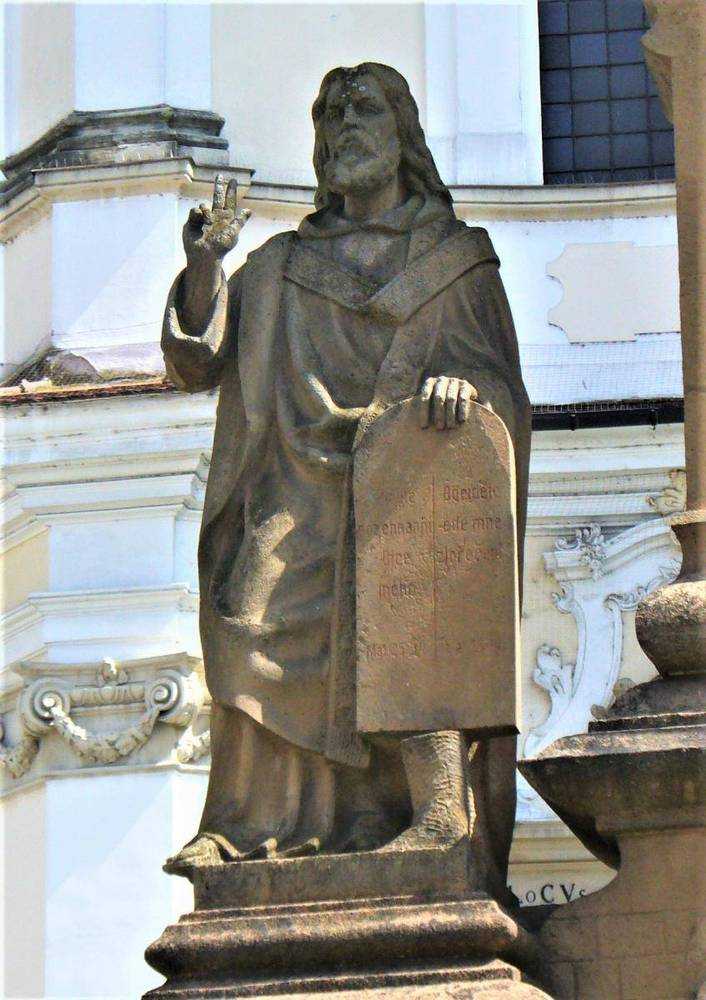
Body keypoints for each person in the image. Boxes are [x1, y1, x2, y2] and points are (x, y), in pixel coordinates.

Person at [161, 63, 530, 896]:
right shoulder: (281, 265)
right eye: (329, 115)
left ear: (403, 135)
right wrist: (206, 269)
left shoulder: (458, 263)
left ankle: (401, 819)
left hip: (405, 487)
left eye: (362, 110)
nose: (341, 127)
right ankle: (251, 827)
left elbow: (501, 385)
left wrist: (466, 388)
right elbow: (197, 360)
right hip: (298, 491)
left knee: (407, 629)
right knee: (245, 621)